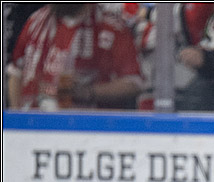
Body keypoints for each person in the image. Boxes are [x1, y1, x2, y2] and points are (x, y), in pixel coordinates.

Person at [6, 3, 144, 110]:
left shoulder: (111, 27)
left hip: (87, 129)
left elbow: (133, 83)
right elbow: (16, 73)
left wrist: (89, 92)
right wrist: (17, 118)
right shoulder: (36, 22)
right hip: (32, 126)